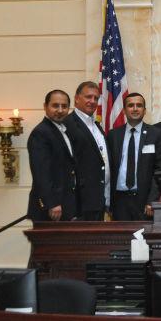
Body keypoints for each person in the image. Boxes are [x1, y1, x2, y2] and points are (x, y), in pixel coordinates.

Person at [107, 93, 161, 221]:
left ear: (144, 111)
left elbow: (159, 170)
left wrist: (152, 200)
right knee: (120, 239)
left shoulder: (155, 134)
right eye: (130, 105)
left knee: (144, 239)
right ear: (124, 110)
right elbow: (109, 169)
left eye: (139, 105)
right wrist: (109, 202)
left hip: (144, 200)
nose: (135, 108)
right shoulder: (113, 135)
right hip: (119, 201)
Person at [26, 89, 78, 221]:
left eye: (64, 106)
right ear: (45, 106)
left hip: (65, 206)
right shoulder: (41, 133)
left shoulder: (63, 130)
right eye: (55, 105)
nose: (60, 110)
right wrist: (52, 203)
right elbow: (41, 172)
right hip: (51, 210)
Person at [64, 81, 110, 221]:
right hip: (79, 203)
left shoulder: (96, 126)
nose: (92, 101)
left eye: (96, 98)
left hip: (98, 201)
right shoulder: (68, 124)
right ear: (77, 98)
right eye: (88, 97)